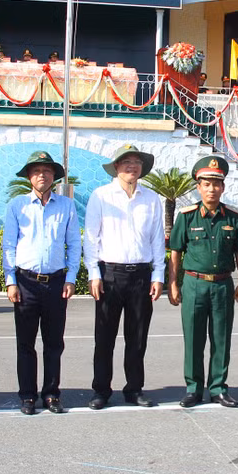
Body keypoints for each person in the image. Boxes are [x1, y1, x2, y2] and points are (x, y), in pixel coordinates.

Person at [84, 144, 164, 409]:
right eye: (126, 162)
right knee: (104, 338)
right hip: (110, 275)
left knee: (137, 337)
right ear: (116, 167)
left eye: (136, 162)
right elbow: (91, 238)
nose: (132, 166)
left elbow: (156, 240)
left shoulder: (151, 199)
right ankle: (101, 390)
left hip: (141, 276)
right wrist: (94, 273)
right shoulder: (101, 196)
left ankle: (134, 389)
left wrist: (158, 275)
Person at [168, 156, 238, 408]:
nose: (211, 189)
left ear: (223, 187)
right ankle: (193, 388)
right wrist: (173, 283)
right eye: (206, 184)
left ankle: (218, 388)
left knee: (221, 338)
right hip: (194, 284)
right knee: (193, 339)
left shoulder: (234, 218)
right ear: (198, 187)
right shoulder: (187, 216)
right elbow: (176, 251)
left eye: (216, 184)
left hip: (222, 285)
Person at [1, 150, 81, 415]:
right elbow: (9, 245)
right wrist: (10, 280)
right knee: (25, 343)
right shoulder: (17, 206)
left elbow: (74, 244)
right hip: (25, 282)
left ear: (54, 176)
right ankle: (27, 395)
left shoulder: (67, 206)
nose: (42, 175)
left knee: (54, 343)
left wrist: (71, 278)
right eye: (36, 171)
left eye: (47, 171)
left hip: (56, 283)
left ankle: (51, 394)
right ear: (28, 176)